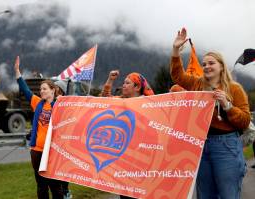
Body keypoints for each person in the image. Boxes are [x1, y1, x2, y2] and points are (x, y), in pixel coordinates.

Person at [170, 28, 250, 199]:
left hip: (226, 145)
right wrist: (176, 50)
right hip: (201, 144)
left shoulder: (235, 89)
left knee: (228, 194)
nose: (206, 66)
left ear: (221, 66)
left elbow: (244, 121)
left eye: (211, 63)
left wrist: (228, 106)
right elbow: (177, 76)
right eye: (204, 64)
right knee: (205, 194)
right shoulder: (197, 84)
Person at [14, 56, 69, 199]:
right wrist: (17, 73)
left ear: (53, 90)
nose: (41, 91)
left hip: (53, 152)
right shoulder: (37, 103)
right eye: (40, 89)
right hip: (36, 152)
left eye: (44, 89)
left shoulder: (60, 106)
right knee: (41, 186)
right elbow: (25, 90)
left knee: (56, 187)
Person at [100, 70, 154, 199]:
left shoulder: (151, 104)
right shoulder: (120, 101)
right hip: (123, 156)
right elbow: (104, 99)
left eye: (127, 83)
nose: (123, 85)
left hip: (141, 158)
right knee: (124, 193)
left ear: (137, 87)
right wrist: (110, 80)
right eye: (123, 83)